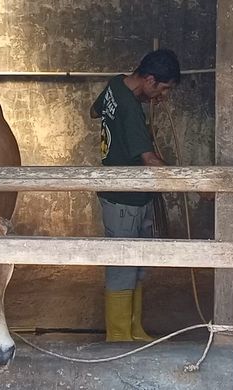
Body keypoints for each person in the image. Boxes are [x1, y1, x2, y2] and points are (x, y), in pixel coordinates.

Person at [90, 49, 180, 342]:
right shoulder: (130, 108)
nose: (161, 96)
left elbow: (95, 110)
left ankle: (133, 328)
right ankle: (118, 336)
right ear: (150, 79)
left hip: (135, 196)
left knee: (136, 264)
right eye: (162, 89)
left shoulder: (116, 85)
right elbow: (151, 162)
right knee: (122, 266)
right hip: (124, 198)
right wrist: (191, 183)